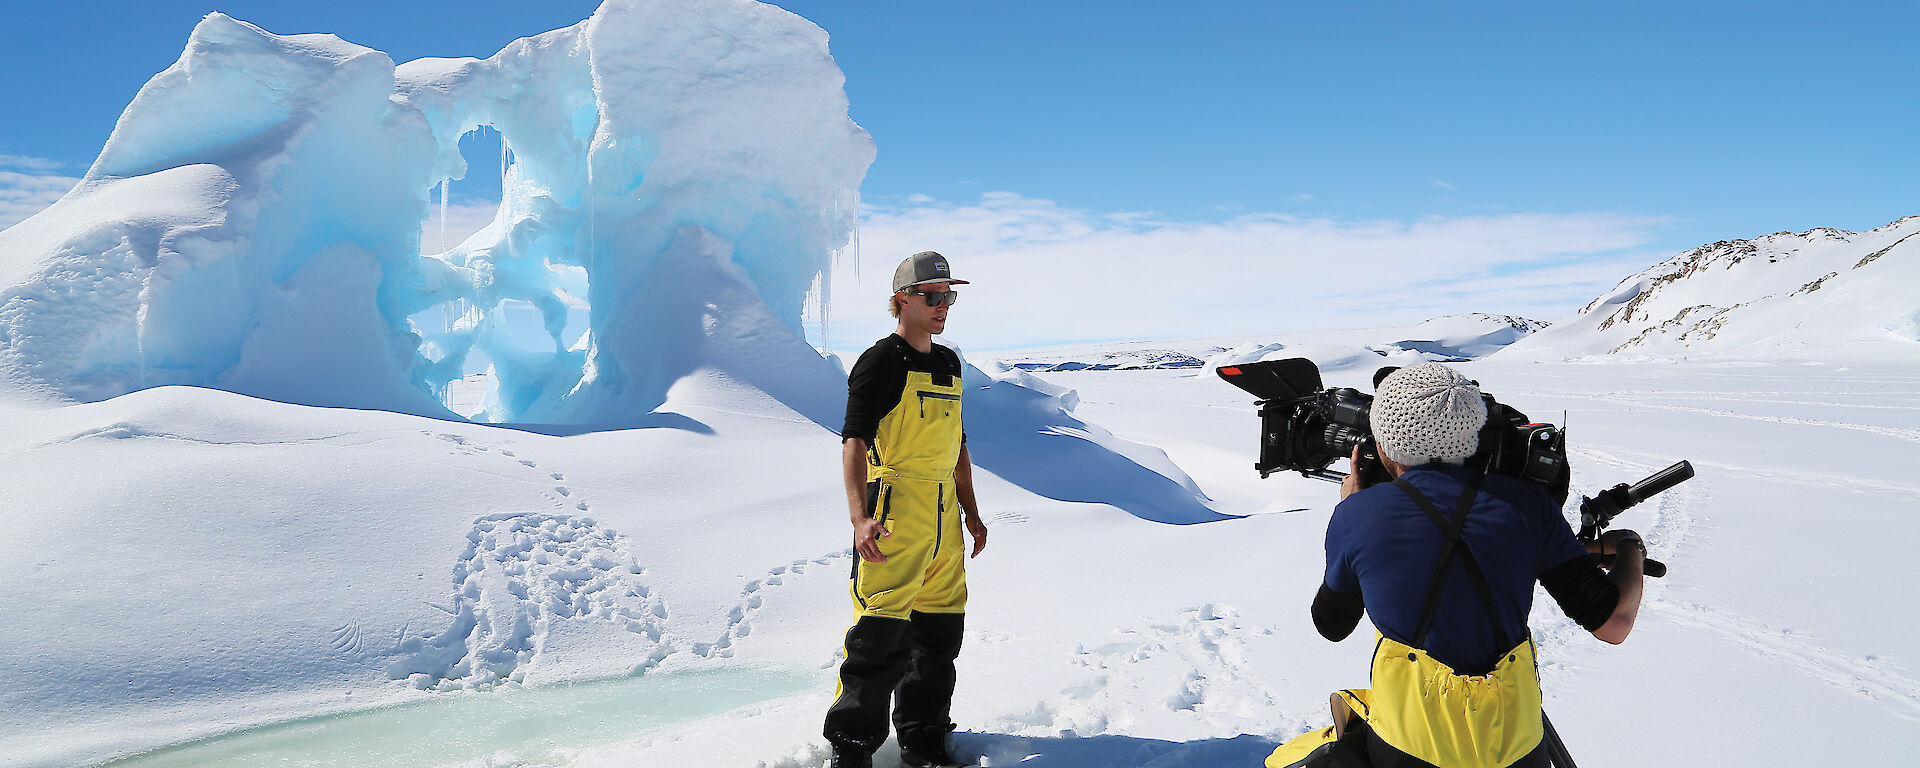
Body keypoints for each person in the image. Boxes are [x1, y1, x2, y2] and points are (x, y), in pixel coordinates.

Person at [1266, 363, 1647, 768]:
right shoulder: (1529, 507)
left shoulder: (1358, 515)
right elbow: (1614, 624)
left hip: (1408, 745)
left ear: (1383, 444)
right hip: (1516, 744)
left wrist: (1352, 510)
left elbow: (1332, 624)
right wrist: (1629, 548)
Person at [825, 251, 989, 768]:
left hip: (943, 517)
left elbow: (956, 446)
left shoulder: (947, 363)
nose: (944, 306)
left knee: (938, 639)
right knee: (880, 637)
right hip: (895, 514)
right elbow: (853, 441)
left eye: (949, 296)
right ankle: (851, 750)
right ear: (902, 300)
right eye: (933, 296)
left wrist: (971, 511)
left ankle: (925, 742)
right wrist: (859, 518)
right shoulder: (881, 360)